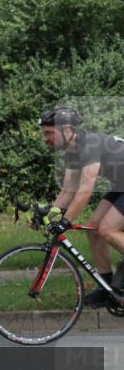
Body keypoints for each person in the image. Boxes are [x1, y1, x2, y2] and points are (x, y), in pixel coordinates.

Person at [38, 106, 124, 307]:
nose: (46, 138)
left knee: (107, 229)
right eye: (44, 134)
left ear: (67, 130)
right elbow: (68, 190)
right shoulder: (73, 150)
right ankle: (106, 288)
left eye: (49, 133)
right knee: (93, 229)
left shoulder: (88, 147)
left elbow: (85, 190)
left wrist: (65, 221)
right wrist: (48, 214)